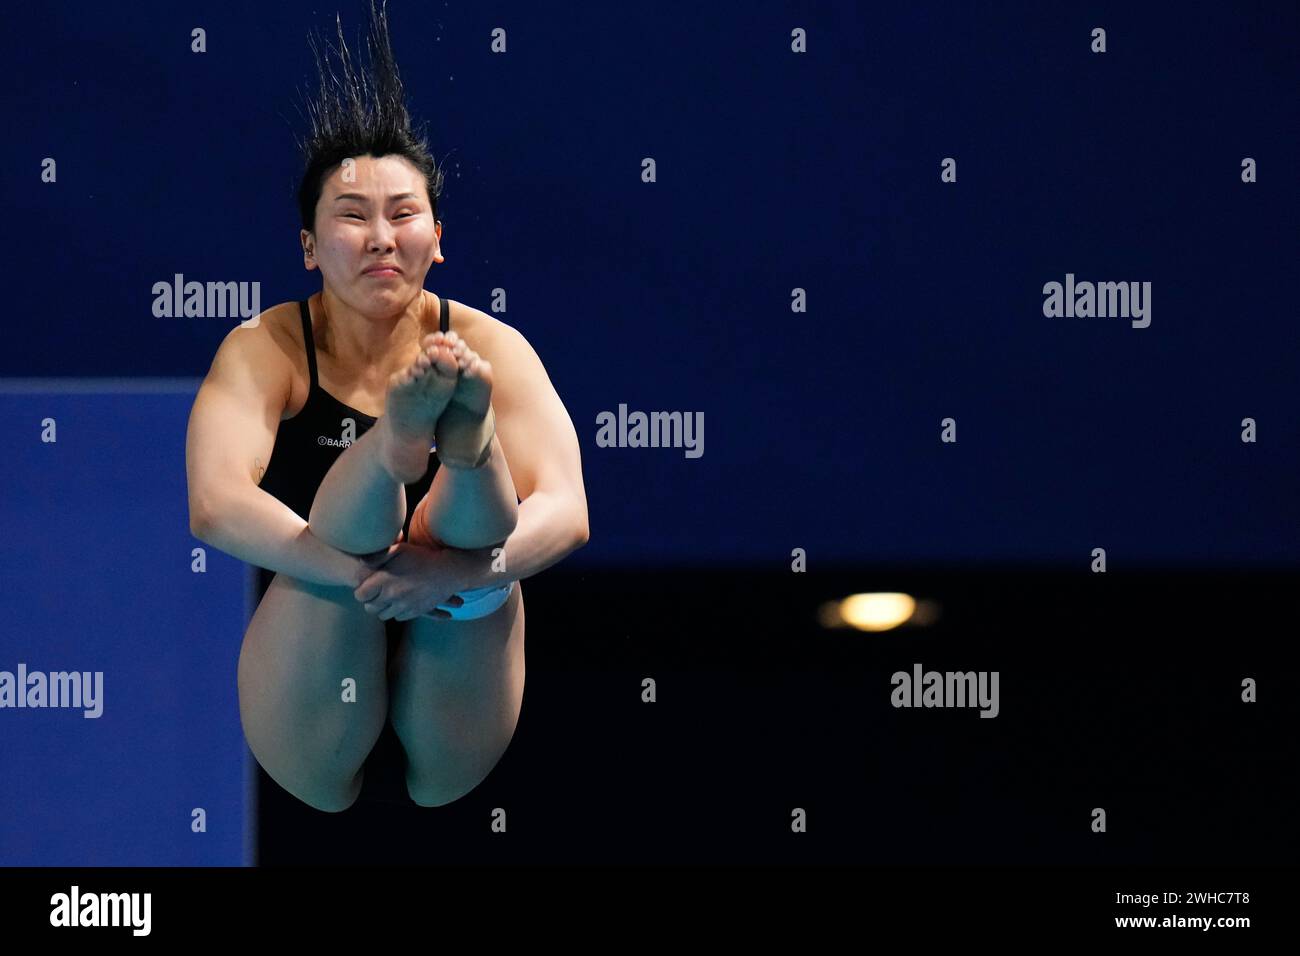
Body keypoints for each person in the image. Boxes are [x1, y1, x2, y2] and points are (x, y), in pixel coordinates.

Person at [184, 0, 589, 812]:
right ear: (308, 247)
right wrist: (365, 577)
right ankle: (394, 449)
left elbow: (569, 512)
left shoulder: (491, 346)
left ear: (437, 237)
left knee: (468, 529)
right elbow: (215, 504)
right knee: (350, 528)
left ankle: (466, 450)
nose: (380, 236)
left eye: (404, 214)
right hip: (318, 638)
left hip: (461, 611)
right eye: (352, 216)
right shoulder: (266, 347)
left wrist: (454, 570)